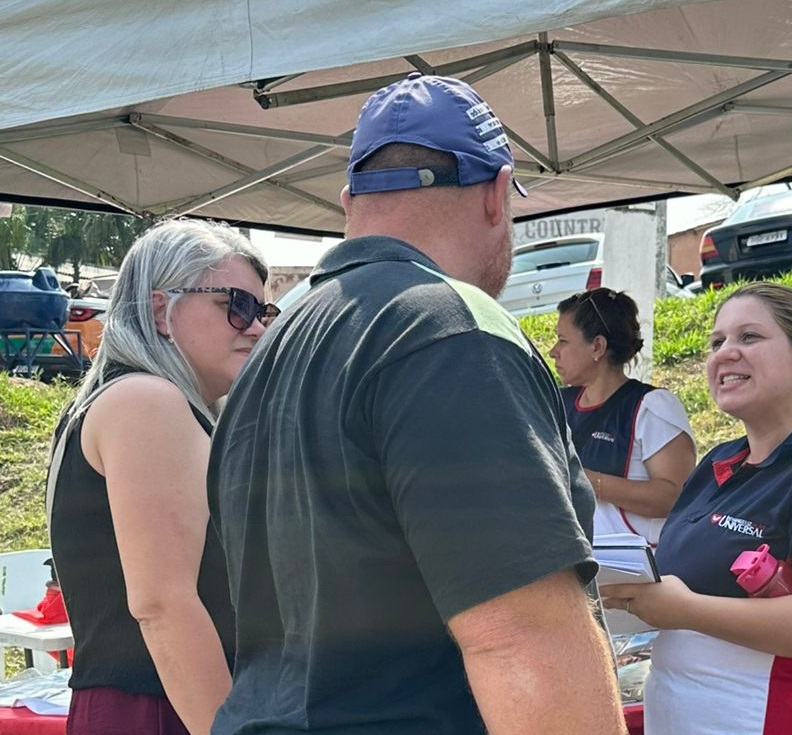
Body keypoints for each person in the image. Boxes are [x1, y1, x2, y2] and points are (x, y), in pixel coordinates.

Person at [207, 73, 625, 735]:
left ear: (350, 200)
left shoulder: (269, 353)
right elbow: (523, 645)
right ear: (495, 193)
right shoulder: (450, 331)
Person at [602, 282, 792, 735]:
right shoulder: (718, 462)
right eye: (717, 342)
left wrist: (684, 609)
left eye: (749, 337)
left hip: (780, 716)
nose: (725, 353)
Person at [47, 220, 275, 735]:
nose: (256, 327)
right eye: (235, 305)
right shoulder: (148, 401)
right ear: (159, 310)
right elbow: (162, 604)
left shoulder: (129, 398)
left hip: (164, 700)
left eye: (262, 311)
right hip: (166, 707)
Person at [549, 287, 696, 544]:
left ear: (597, 346)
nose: (553, 351)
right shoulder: (556, 403)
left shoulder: (651, 408)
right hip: (568, 559)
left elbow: (674, 498)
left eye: (563, 340)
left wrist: (586, 481)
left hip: (631, 573)